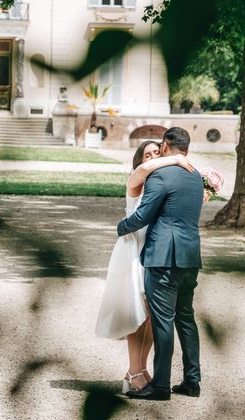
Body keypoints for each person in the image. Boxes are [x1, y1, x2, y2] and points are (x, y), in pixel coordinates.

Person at [96, 140, 195, 393]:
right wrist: (173, 159)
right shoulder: (136, 178)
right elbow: (142, 173)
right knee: (136, 316)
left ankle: (138, 369)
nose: (152, 158)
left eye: (156, 152)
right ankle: (134, 371)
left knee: (152, 316)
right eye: (147, 154)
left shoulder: (161, 181)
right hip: (134, 250)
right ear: (139, 160)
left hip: (155, 251)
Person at [117, 127, 204, 401]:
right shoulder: (197, 178)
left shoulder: (160, 175)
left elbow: (143, 215)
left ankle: (161, 386)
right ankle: (192, 381)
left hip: (163, 256)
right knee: (186, 318)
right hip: (190, 256)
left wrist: (121, 227)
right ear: (186, 149)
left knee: (163, 322)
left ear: (166, 146)